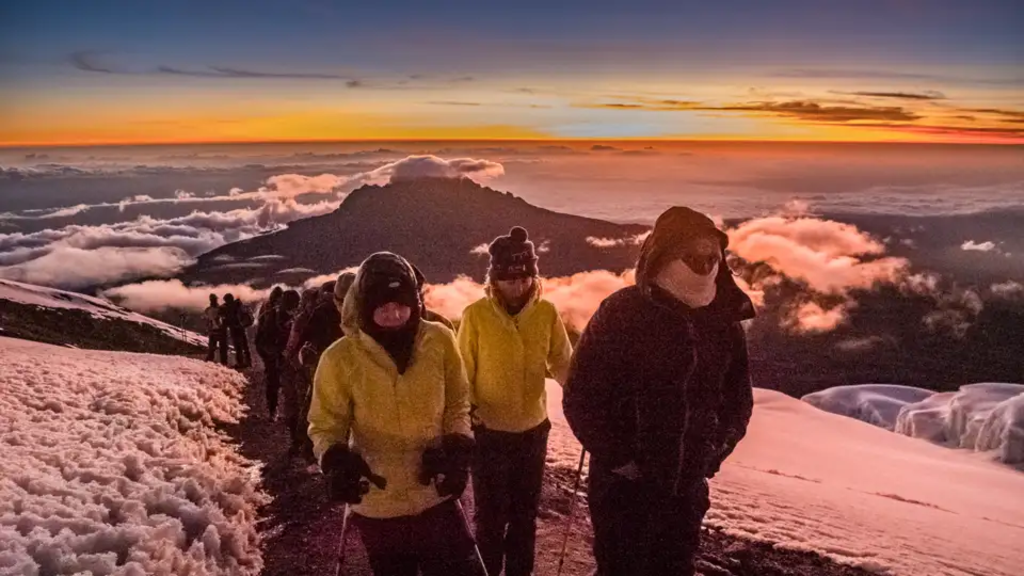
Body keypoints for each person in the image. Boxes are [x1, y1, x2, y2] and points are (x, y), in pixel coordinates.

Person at [562, 206, 756, 576]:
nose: (704, 266)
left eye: (712, 258)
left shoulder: (723, 322)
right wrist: (619, 459)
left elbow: (738, 399)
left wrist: (712, 453)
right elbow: (582, 395)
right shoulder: (622, 312)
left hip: (686, 491)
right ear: (664, 256)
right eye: (692, 257)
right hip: (622, 490)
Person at [308, 252, 482, 576]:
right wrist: (335, 460)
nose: (394, 314)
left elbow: (458, 402)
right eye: (383, 307)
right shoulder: (339, 358)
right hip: (378, 503)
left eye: (402, 305)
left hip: (435, 494)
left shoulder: (440, 340)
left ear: (415, 303)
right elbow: (325, 424)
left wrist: (457, 447)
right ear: (364, 306)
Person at [457, 226, 573, 576]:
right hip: (488, 432)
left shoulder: (547, 313)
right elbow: (463, 370)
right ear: (495, 279)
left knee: (524, 517)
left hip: (533, 431)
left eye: (524, 278)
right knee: (491, 519)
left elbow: (562, 361)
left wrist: (582, 393)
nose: (518, 285)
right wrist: (466, 413)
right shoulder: (476, 315)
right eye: (510, 279)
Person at [255, 287, 285, 419]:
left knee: (273, 380)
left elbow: (260, 337)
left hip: (270, 350)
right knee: (276, 380)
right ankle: (276, 409)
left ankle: (273, 409)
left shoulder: (266, 310)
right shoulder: (277, 312)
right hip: (275, 350)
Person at [220, 293, 252, 369]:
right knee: (245, 346)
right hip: (241, 328)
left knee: (238, 347)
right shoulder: (238, 305)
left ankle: (241, 363)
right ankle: (248, 362)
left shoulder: (226, 307)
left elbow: (225, 320)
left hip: (234, 329)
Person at [203, 293, 227, 364]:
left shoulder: (209, 309)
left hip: (217, 330)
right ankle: (221, 361)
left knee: (216, 347)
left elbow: (207, 320)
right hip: (217, 330)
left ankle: (216, 360)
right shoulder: (220, 308)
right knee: (217, 347)